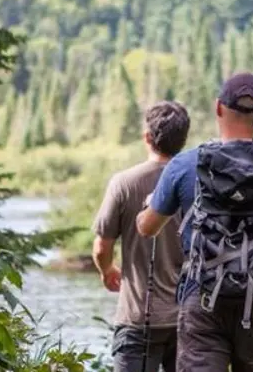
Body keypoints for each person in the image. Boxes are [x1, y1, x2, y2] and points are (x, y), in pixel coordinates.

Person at [135, 72, 253, 372]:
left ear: (218, 107)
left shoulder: (183, 166)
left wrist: (149, 204)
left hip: (201, 300)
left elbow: (147, 228)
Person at [91, 100, 192, 372]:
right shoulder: (197, 182)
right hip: (189, 319)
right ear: (183, 139)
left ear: (147, 138)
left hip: (137, 318)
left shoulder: (123, 183)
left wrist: (107, 270)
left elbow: (102, 247)